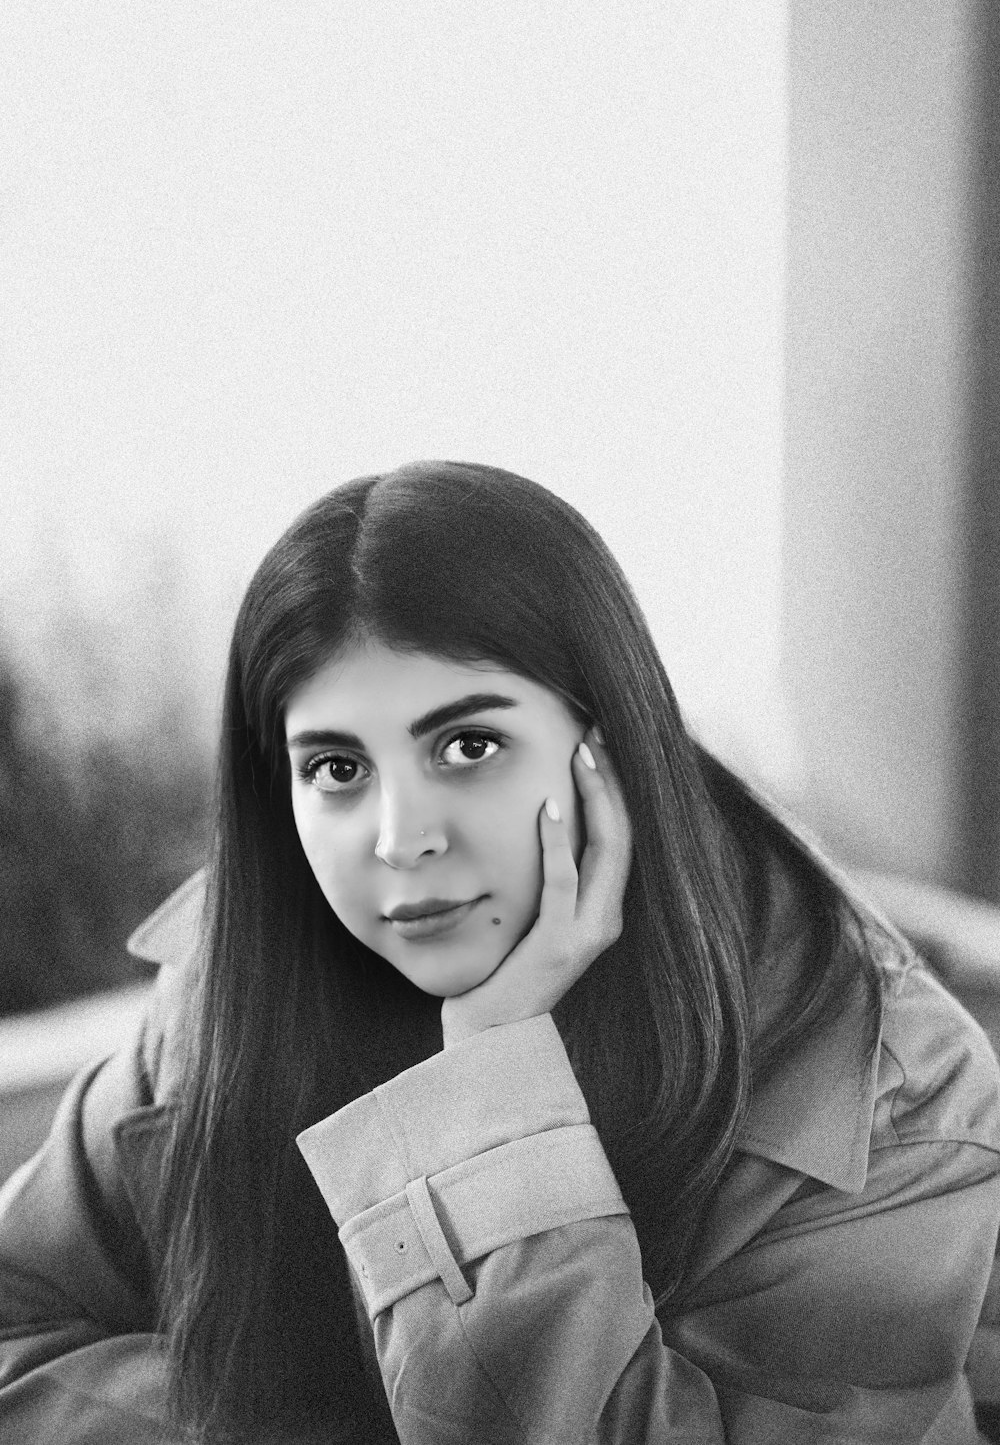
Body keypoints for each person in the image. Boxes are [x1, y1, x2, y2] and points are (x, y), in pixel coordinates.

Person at [1, 459, 999, 1445]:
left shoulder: (893, 1095)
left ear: (611, 747)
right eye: (337, 767)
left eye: (466, 747)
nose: (400, 836)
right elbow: (20, 1322)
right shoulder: (231, 992)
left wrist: (492, 1073)